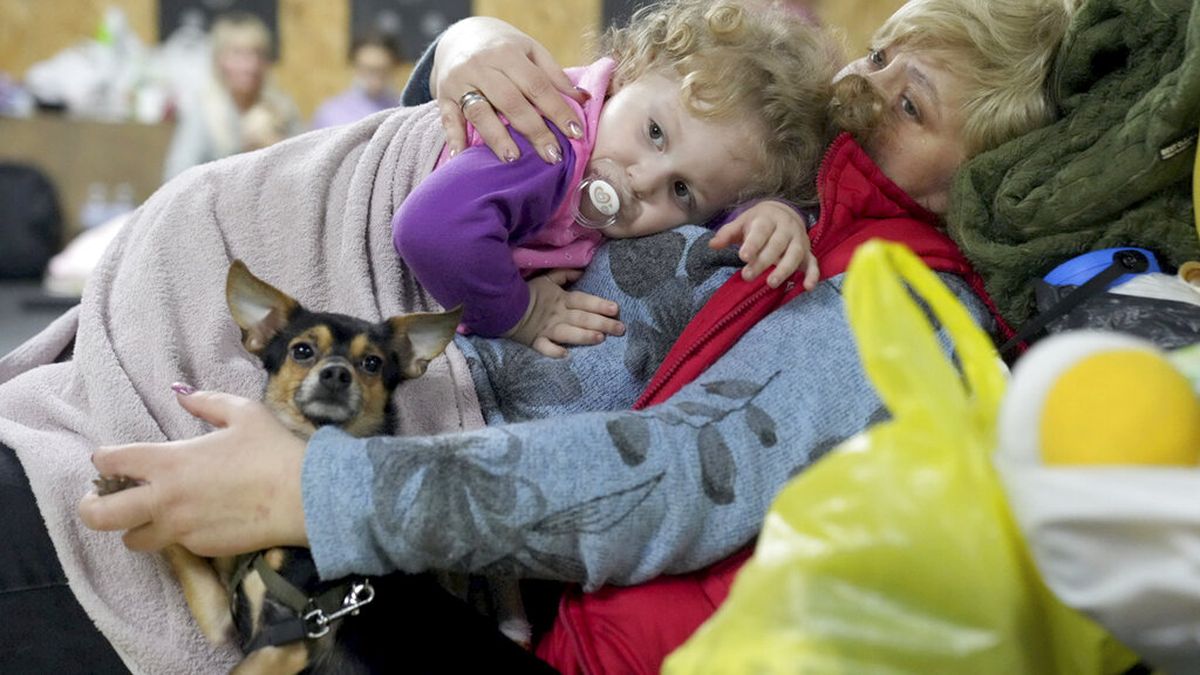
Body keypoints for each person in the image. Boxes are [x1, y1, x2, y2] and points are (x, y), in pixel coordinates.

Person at [72, 0, 1079, 672]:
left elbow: (672, 475)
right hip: (390, 403)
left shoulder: (892, 299)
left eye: (908, 100)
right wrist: (467, 48)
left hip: (500, 574)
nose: (859, 89)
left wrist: (307, 489)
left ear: (991, 172)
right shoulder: (809, 193)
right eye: (876, 52)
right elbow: (507, 168)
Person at [392, 0, 837, 356]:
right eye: (655, 133)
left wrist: (769, 211)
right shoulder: (550, 143)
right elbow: (430, 230)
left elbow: (719, 212)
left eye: (681, 190)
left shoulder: (629, 144)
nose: (644, 180)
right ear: (627, 72)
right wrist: (520, 315)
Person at [162, 11, 301, 181]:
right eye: (238, 54)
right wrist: (242, 149)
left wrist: (275, 145)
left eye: (257, 54)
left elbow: (305, 173)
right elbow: (176, 178)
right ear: (219, 60)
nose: (250, 65)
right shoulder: (204, 110)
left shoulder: (282, 108)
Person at [310, 32, 403, 130]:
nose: (375, 79)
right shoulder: (329, 113)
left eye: (382, 70)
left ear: (394, 67)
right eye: (368, 70)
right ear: (354, 67)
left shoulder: (402, 111)